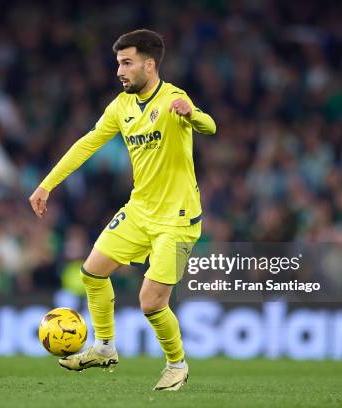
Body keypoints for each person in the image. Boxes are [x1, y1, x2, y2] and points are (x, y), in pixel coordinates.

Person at [29, 29, 216, 391]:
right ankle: (104, 347)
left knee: (150, 301)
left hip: (178, 222)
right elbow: (87, 144)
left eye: (127, 63)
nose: (120, 71)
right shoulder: (121, 106)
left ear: (149, 64)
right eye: (118, 63)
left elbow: (210, 126)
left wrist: (192, 114)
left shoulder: (174, 98)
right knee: (92, 272)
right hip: (140, 211)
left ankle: (177, 364)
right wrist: (46, 184)